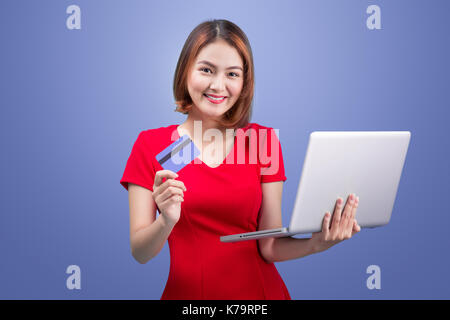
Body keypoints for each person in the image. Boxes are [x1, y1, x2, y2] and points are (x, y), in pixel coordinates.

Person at [120, 19, 361, 300]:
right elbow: (140, 252)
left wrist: (317, 243)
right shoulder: (154, 145)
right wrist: (166, 221)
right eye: (206, 70)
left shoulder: (262, 142)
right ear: (186, 70)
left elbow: (269, 247)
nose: (217, 85)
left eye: (232, 74)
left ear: (245, 82)